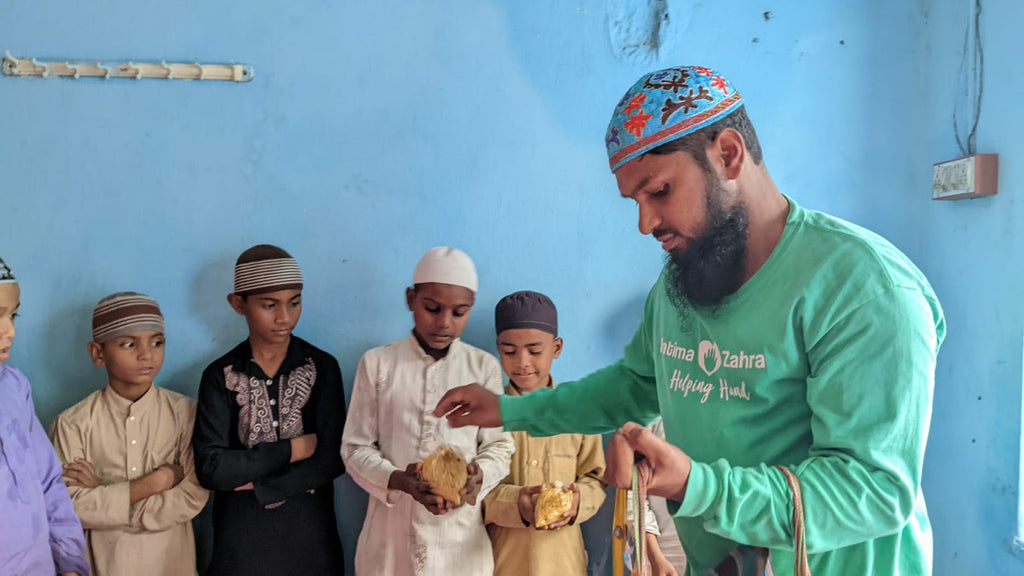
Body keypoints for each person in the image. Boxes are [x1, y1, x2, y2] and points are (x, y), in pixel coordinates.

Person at [434, 66, 945, 575]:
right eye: (635, 202)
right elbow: (636, 385)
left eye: (659, 191)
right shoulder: (684, 281)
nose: (645, 224)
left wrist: (697, 486)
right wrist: (510, 411)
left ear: (728, 154)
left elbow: (873, 491)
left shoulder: (863, 289)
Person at [341, 247, 514, 576]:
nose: (444, 323)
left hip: (460, 546)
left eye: (459, 313)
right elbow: (354, 449)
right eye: (432, 308)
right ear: (411, 299)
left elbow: (500, 447)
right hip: (390, 544)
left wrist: (478, 476)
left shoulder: (482, 367)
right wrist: (400, 481)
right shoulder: (378, 364)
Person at [192, 244, 346, 575]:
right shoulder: (220, 376)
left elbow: (333, 457)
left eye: (294, 302)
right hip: (241, 545)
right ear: (238, 304)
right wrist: (295, 448)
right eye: (269, 305)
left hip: (311, 542)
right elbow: (212, 468)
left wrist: (260, 485)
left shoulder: (321, 367)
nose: (284, 317)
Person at [50, 292, 209, 576]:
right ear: (98, 354)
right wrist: (155, 483)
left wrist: (103, 492)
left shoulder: (185, 414)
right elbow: (69, 507)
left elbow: (191, 496)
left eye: (157, 342)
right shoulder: (72, 423)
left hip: (171, 564)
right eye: (128, 344)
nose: (146, 354)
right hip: (104, 564)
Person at [483, 290, 606, 576]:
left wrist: (577, 502)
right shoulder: (488, 414)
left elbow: (596, 479)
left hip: (564, 561)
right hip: (504, 561)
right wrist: (516, 503)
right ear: (498, 349)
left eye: (534, 351)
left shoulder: (580, 411)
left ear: (557, 348)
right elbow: (475, 493)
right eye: (509, 351)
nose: (522, 362)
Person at [0, 256, 90, 576]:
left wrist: (68, 563)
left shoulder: (13, 387)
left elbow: (48, 481)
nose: (10, 330)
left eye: (13, 314)